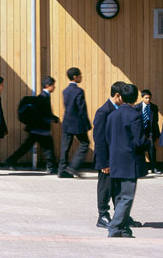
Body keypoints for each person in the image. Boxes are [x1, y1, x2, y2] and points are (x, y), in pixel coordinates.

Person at [102, 83, 147, 238]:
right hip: (129, 162)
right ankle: (115, 227)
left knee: (120, 196)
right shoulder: (135, 115)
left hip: (115, 160)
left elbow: (107, 138)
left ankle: (123, 228)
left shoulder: (112, 115)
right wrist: (148, 141)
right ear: (135, 98)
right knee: (127, 196)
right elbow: (140, 141)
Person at [5, 75, 59, 172]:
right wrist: (53, 118)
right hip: (41, 129)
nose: (54, 87)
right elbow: (44, 113)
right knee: (48, 147)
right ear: (47, 85)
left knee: (27, 146)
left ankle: (11, 160)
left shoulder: (42, 96)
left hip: (35, 128)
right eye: (53, 85)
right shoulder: (44, 97)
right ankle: (51, 167)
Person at [93, 82, 124, 229]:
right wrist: (104, 162)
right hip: (106, 159)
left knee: (119, 188)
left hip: (118, 158)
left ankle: (121, 216)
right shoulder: (103, 112)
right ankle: (103, 215)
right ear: (117, 95)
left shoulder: (120, 109)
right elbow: (99, 139)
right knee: (105, 188)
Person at [59, 67, 91, 178]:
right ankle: (73, 167)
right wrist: (87, 124)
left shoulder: (65, 91)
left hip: (67, 122)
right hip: (77, 123)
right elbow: (82, 109)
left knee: (65, 147)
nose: (81, 77)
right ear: (75, 77)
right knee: (85, 143)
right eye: (80, 75)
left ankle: (62, 170)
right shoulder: (79, 91)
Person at [134, 89, 160, 173]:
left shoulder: (154, 107)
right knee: (139, 147)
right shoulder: (137, 108)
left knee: (152, 147)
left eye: (149, 98)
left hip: (150, 131)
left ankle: (154, 167)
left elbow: (155, 122)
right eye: (146, 98)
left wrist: (157, 134)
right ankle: (139, 167)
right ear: (142, 98)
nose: (148, 100)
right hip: (140, 130)